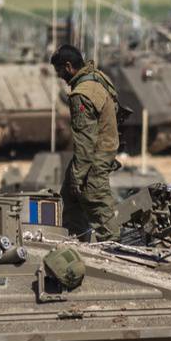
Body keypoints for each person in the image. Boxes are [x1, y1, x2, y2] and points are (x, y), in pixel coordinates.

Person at [51, 43, 120, 240]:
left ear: (68, 67)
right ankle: (76, 240)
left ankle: (114, 247)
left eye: (59, 70)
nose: (58, 76)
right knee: (70, 199)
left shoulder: (81, 94)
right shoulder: (98, 78)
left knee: (95, 199)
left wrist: (79, 177)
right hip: (104, 149)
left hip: (94, 156)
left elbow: (85, 141)